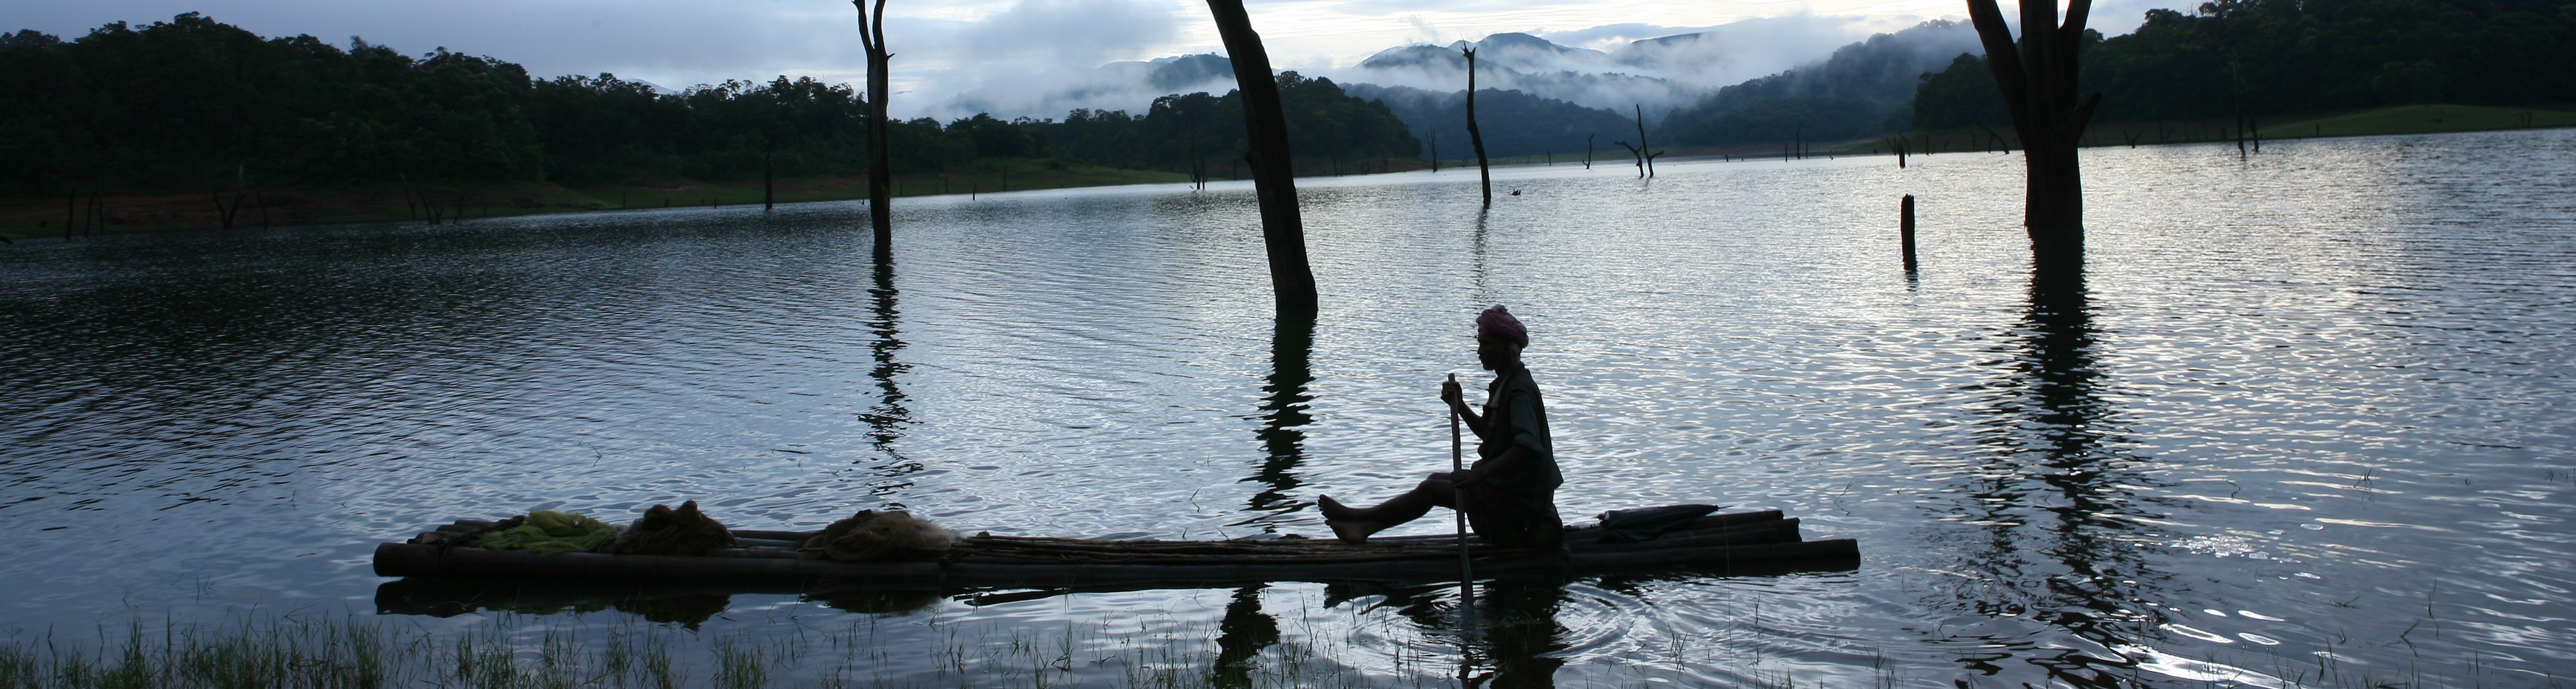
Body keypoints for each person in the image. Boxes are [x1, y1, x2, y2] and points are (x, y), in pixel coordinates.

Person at [1319, 306, 1564, 551]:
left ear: (1507, 348)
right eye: (1480, 344)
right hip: (1507, 487)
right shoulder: (1507, 384)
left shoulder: (1519, 390)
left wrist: (1479, 474)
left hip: (1523, 499)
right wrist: (1460, 406)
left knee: (1432, 489)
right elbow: (1491, 436)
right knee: (1435, 480)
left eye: (1487, 344)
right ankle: (1363, 524)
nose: (1480, 351)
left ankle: (1360, 522)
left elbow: (1527, 447)